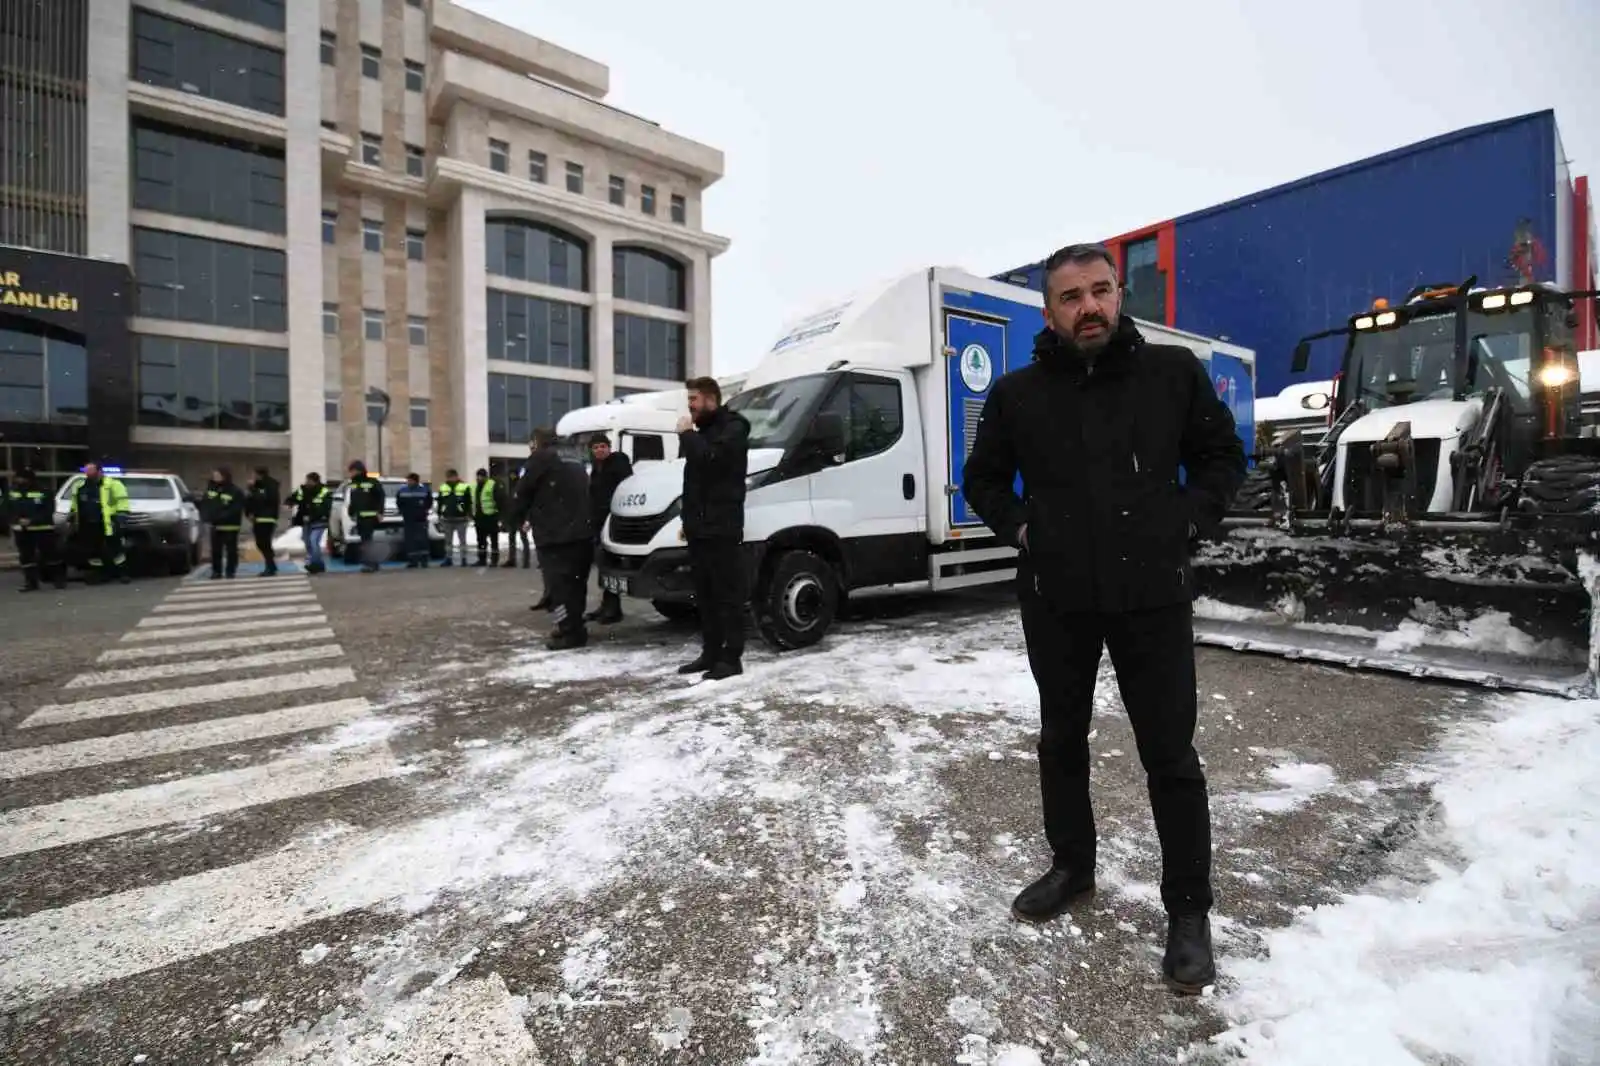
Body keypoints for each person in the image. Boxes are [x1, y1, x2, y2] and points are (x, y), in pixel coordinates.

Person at [961, 242, 1246, 995]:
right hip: (1057, 599)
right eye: (1070, 297)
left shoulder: (1171, 375)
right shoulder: (1019, 395)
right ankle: (1072, 867)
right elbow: (981, 478)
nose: (1088, 307)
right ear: (1049, 313)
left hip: (1152, 595)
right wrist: (1022, 529)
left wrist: (1188, 519)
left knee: (1171, 758)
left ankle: (1188, 911)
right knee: (1061, 740)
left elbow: (1223, 458)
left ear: (1118, 295)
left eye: (1100, 291)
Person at [675, 376, 750, 680]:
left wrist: (687, 435)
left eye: (693, 399)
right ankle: (711, 653)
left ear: (710, 398)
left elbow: (711, 460)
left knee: (726, 595)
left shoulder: (734, 428)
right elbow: (697, 483)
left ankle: (731, 659)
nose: (689, 406)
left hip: (722, 528)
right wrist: (687, 522)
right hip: (699, 529)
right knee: (704, 595)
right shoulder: (704, 431)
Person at [512, 427, 593, 650]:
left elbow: (522, 492)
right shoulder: (575, 456)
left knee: (558, 589)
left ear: (536, 442)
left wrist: (518, 518)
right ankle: (576, 627)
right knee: (576, 585)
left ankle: (568, 632)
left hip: (555, 535)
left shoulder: (540, 459)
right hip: (582, 533)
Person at [585, 434, 633, 624]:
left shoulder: (617, 462)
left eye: (603, 446)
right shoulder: (596, 469)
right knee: (604, 566)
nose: (599, 450)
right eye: (595, 447)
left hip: (612, 522)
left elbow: (623, 488)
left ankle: (613, 610)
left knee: (610, 566)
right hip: (599, 523)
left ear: (609, 447)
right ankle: (607, 605)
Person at [69, 462, 131, 585]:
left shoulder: (113, 484)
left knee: (116, 550)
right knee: (93, 551)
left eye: (91, 472)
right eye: (87, 472)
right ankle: (100, 574)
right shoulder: (80, 486)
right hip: (88, 524)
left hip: (108, 523)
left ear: (99, 472)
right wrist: (73, 517)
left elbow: (122, 502)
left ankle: (123, 573)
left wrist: (120, 517)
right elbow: (75, 504)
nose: (88, 474)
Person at [7, 468, 65, 592]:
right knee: (26, 558)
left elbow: (49, 510)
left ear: (28, 479)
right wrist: (16, 520)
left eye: (20, 478)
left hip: (42, 529)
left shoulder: (44, 491)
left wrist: (32, 520)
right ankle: (31, 582)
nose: (18, 480)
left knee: (50, 556)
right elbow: (8, 509)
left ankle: (58, 579)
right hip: (21, 530)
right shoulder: (13, 492)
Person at [201, 466, 247, 579]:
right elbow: (206, 504)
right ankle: (216, 572)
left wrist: (221, 517)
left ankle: (230, 571)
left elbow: (236, 508)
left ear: (225, 476)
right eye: (214, 475)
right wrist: (207, 517)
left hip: (230, 526)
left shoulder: (235, 491)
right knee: (216, 551)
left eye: (218, 475)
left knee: (231, 551)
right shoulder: (211, 489)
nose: (215, 477)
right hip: (215, 526)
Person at [345, 460, 386, 574]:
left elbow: (381, 497)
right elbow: (354, 499)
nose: (350, 473)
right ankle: (373, 563)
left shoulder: (372, 482)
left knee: (367, 541)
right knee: (365, 541)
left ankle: (370, 564)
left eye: (352, 471)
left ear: (358, 471)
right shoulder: (353, 484)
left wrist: (380, 512)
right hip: (359, 517)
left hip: (370, 516)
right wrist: (351, 511)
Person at [287, 472, 332, 574]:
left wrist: (314, 515)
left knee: (313, 541)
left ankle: (314, 564)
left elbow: (326, 507)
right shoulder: (303, 490)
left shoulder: (324, 491)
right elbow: (295, 498)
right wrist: (289, 503)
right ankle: (319, 564)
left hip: (319, 521)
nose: (307, 482)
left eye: (309, 480)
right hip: (306, 522)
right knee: (307, 542)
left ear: (314, 481)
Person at [246, 466, 282, 577]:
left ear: (259, 475)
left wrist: (252, 489)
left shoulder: (270, 485)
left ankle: (270, 567)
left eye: (254, 475)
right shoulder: (256, 487)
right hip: (258, 518)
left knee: (264, 543)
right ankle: (271, 565)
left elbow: (266, 500)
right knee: (261, 543)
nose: (252, 477)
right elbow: (250, 501)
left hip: (267, 518)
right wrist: (248, 513)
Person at [434, 468, 472, 567]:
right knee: (448, 541)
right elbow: (440, 501)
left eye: (451, 477)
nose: (450, 479)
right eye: (448, 477)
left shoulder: (464, 486)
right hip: (447, 518)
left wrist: (468, 513)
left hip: (461, 518)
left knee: (462, 540)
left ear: (456, 476)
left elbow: (468, 502)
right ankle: (448, 558)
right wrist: (439, 514)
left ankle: (463, 559)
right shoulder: (443, 487)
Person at [395, 472, 433, 568]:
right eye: (408, 480)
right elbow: (399, 503)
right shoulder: (402, 490)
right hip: (408, 519)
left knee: (422, 539)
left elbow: (429, 502)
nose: (408, 482)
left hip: (421, 519)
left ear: (416, 481)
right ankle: (413, 561)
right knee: (410, 540)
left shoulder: (424, 490)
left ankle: (424, 560)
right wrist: (403, 512)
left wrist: (424, 511)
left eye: (410, 480)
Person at [471, 468, 504, 568]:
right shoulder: (473, 486)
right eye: (478, 476)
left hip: (491, 516)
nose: (479, 478)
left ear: (486, 477)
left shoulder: (492, 484)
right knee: (480, 540)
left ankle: (494, 560)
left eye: (481, 476)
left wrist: (500, 516)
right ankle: (482, 559)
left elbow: (499, 500)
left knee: (494, 540)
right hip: (479, 517)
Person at [502, 471, 533, 570]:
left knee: (523, 539)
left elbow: (526, 503)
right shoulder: (510, 487)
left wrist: (527, 518)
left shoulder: (522, 486)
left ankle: (526, 561)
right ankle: (512, 559)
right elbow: (509, 504)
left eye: (513, 474)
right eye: (510, 474)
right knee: (512, 539)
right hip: (512, 517)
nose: (511, 476)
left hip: (521, 517)